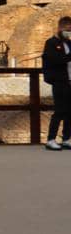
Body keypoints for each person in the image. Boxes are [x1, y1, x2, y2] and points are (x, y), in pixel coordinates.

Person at [40, 16, 71, 150]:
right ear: (60, 28)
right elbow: (56, 60)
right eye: (67, 29)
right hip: (59, 81)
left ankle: (66, 138)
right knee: (59, 111)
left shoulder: (69, 43)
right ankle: (51, 139)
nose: (69, 32)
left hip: (70, 81)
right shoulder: (51, 43)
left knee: (70, 112)